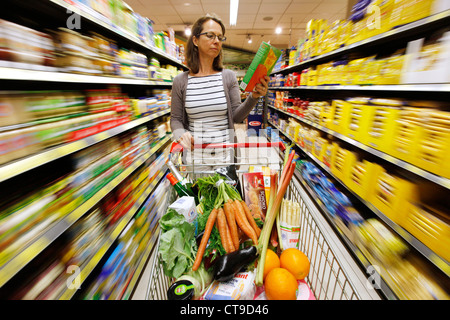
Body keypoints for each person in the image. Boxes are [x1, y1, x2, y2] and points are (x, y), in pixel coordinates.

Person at [170, 13, 269, 170]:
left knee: (227, 194)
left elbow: (237, 116)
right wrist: (181, 134)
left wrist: (254, 97)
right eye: (210, 35)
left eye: (220, 37)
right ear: (195, 40)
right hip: (196, 158)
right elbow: (175, 119)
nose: (216, 41)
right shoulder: (180, 81)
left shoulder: (228, 77)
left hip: (225, 156)